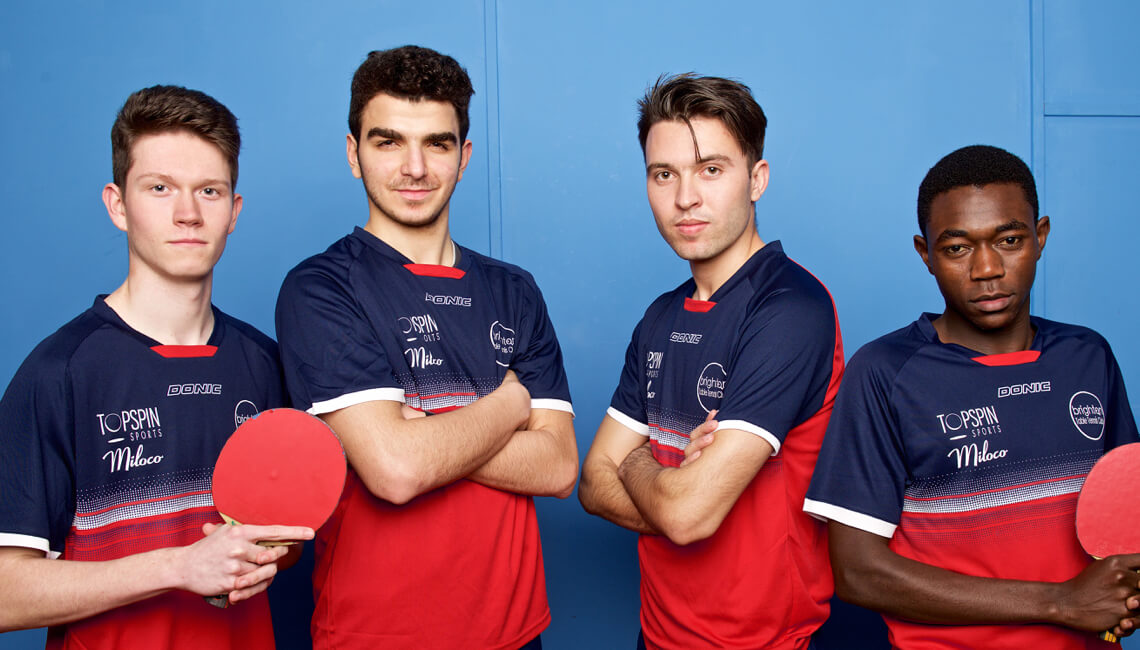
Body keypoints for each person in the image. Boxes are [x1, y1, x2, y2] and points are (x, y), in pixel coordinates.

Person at [274, 45, 577, 650]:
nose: (414, 167)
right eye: (388, 141)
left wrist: (420, 433)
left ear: (463, 158)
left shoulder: (513, 291)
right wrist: (509, 406)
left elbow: (559, 467)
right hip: (376, 635)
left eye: (436, 143)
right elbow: (396, 471)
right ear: (354, 154)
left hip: (514, 635)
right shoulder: (321, 288)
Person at [0, 85, 313, 649]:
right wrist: (177, 567)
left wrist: (269, 549)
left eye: (209, 191)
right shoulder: (59, 372)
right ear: (118, 205)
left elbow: (283, 543)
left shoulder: (266, 365)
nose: (188, 213)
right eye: (160, 188)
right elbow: (4, 591)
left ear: (234, 212)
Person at [804, 144, 1140, 648]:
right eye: (957, 248)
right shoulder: (884, 373)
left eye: (1008, 240)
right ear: (926, 254)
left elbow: (1125, 521)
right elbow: (859, 572)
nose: (987, 268)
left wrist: (1122, 596)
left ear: (1040, 237)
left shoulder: (1088, 356)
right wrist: (1060, 602)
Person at [578, 73, 844, 650]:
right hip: (659, 634)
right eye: (663, 174)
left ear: (757, 179)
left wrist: (641, 464)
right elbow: (592, 483)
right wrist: (673, 488)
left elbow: (687, 516)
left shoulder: (790, 308)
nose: (685, 198)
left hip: (763, 641)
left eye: (711, 170)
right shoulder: (660, 317)